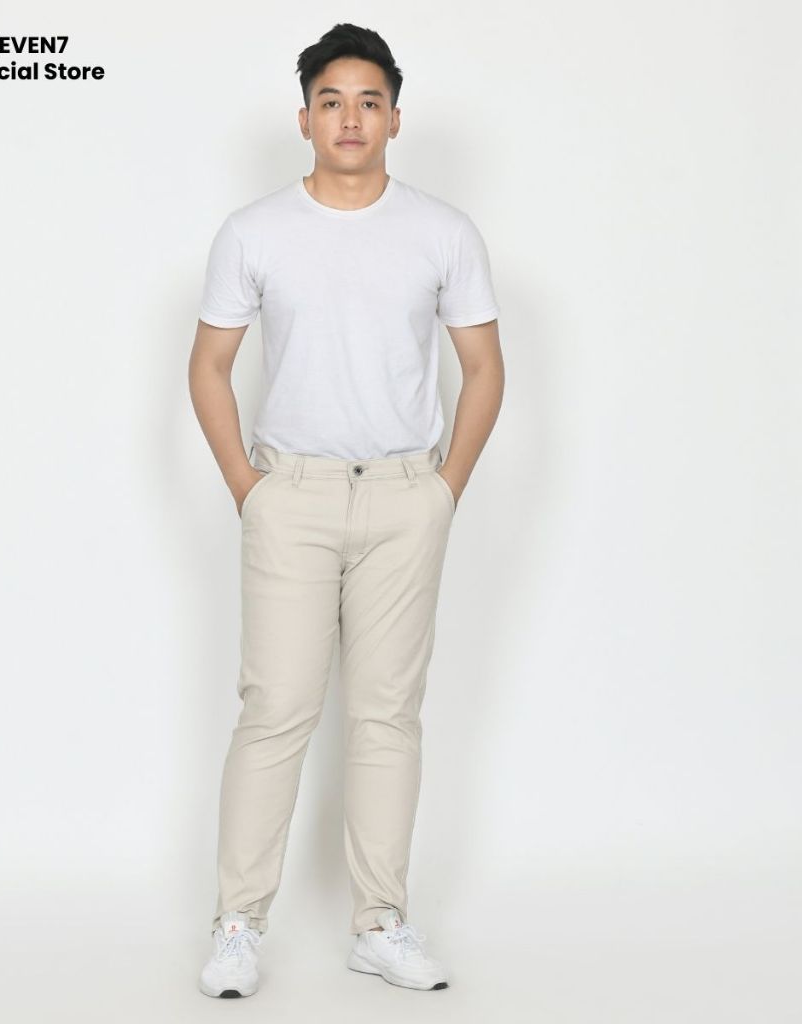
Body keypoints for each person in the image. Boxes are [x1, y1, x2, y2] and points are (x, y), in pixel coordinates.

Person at [189, 22, 504, 999]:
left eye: (370, 101)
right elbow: (209, 364)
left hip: (407, 496)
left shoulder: (443, 231)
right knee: (274, 710)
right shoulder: (254, 231)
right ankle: (237, 925)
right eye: (332, 101)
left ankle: (380, 922)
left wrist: (445, 489)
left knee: (386, 717)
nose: (351, 117)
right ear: (305, 118)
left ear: (395, 119)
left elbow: (484, 367)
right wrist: (248, 488)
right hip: (291, 496)